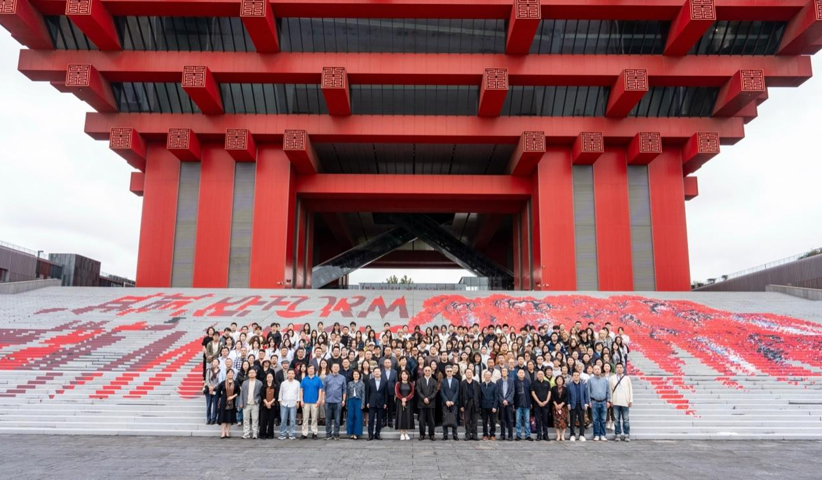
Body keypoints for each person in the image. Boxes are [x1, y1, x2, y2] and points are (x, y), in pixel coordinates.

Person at [609, 362, 633, 442]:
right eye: (617, 367)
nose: (619, 369)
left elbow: (630, 390)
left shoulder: (627, 378)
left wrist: (630, 400)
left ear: (623, 369)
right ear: (615, 369)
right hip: (615, 401)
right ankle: (618, 434)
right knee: (616, 419)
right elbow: (610, 390)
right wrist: (611, 400)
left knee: (626, 419)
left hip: (625, 402)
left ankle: (626, 434)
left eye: (620, 367)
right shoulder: (612, 378)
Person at [324, 363, 347, 440]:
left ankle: (336, 434)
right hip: (328, 401)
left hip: (338, 401)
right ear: (331, 368)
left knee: (337, 419)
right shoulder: (327, 377)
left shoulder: (342, 378)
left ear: (339, 368)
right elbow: (324, 389)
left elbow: (344, 390)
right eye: (334, 367)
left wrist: (343, 400)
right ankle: (328, 434)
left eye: (337, 367)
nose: (336, 368)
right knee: (328, 419)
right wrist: (323, 399)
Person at [299, 364, 323, 439]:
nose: (311, 370)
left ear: (314, 370)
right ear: (307, 370)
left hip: (315, 402)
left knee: (314, 418)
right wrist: (301, 400)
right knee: (305, 418)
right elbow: (301, 390)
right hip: (305, 402)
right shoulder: (304, 379)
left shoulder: (318, 379)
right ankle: (304, 433)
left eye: (312, 368)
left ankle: (314, 433)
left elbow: (320, 390)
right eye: (309, 368)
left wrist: (319, 400)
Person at [587, 365, 611, 441]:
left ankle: (603, 435)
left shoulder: (605, 380)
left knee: (603, 419)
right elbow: (588, 392)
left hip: (604, 402)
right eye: (595, 369)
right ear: (593, 371)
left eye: (598, 369)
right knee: (595, 420)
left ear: (601, 370)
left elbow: (608, 391)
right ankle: (596, 435)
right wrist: (589, 402)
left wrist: (608, 401)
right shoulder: (590, 380)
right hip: (594, 402)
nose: (597, 370)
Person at [238, 368, 262, 439]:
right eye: (250, 373)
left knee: (255, 419)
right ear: (248, 374)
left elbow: (261, 394)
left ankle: (255, 433)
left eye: (253, 372)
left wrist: (258, 400)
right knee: (246, 419)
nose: (251, 374)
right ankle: (246, 433)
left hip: (255, 404)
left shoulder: (259, 383)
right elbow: (242, 393)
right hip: (246, 404)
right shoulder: (244, 383)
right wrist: (241, 402)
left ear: (255, 374)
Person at [416, 365, 437, 441]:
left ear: (431, 371)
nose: (427, 372)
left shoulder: (434, 381)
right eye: (426, 370)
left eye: (429, 370)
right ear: (423, 371)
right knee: (421, 420)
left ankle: (432, 434)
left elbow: (435, 392)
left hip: (431, 403)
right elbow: (418, 391)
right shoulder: (419, 381)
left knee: (431, 421)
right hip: (422, 404)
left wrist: (429, 398)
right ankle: (422, 434)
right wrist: (424, 398)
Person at [366, 368, 388, 440]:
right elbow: (367, 393)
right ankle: (370, 435)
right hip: (372, 402)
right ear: (373, 373)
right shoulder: (370, 381)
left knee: (379, 420)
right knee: (371, 420)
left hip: (381, 403)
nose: (377, 373)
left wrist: (385, 403)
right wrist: (367, 402)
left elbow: (386, 393)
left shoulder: (384, 382)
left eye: (378, 371)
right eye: (375, 372)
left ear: (380, 373)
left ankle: (377, 434)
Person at [567, 370, 589, 442]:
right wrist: (568, 403)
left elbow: (586, 395)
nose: (576, 376)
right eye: (574, 375)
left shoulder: (583, 385)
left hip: (581, 404)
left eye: (577, 375)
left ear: (579, 376)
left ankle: (581, 435)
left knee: (582, 421)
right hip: (573, 405)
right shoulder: (569, 385)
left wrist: (586, 403)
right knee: (572, 420)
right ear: (572, 376)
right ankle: (572, 435)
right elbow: (568, 395)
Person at [216, 369, 238, 439]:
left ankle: (227, 432)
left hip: (232, 402)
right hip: (223, 402)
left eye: (231, 373)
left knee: (229, 417)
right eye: (229, 373)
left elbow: (238, 392)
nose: (230, 374)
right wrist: (222, 397)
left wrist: (232, 396)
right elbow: (218, 392)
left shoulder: (236, 383)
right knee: (223, 417)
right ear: (227, 374)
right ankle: (223, 432)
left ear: (233, 374)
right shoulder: (222, 383)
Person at [278, 368, 300, 440]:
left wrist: (298, 402)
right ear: (287, 374)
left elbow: (298, 393)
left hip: (293, 403)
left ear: (294, 375)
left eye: (292, 373)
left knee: (292, 420)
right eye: (289, 373)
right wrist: (280, 401)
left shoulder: (297, 383)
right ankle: (282, 434)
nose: (290, 375)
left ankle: (292, 434)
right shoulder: (283, 383)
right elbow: (280, 392)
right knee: (283, 419)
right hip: (284, 403)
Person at [459, 368, 481, 441]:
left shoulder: (476, 383)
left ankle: (474, 435)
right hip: (466, 403)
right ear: (465, 374)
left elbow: (479, 395)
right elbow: (460, 395)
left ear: (472, 373)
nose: (469, 374)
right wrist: (461, 405)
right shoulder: (462, 383)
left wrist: (479, 405)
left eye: (470, 372)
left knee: (474, 420)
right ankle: (467, 434)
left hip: (474, 403)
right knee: (467, 420)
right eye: (467, 372)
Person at [440, 365, 460, 440]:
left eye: (450, 371)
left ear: (452, 372)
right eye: (447, 371)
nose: (449, 372)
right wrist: (446, 401)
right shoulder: (443, 381)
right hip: (445, 403)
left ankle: (455, 435)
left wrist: (453, 401)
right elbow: (442, 392)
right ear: (445, 372)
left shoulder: (456, 381)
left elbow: (457, 392)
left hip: (454, 403)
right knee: (445, 418)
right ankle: (445, 435)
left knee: (454, 418)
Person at [531, 369, 552, 441]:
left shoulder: (547, 383)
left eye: (542, 374)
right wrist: (539, 402)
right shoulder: (534, 383)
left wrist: (546, 401)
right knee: (538, 420)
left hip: (546, 404)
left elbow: (549, 392)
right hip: (537, 404)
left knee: (545, 420)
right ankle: (539, 435)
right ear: (537, 375)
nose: (540, 375)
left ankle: (546, 435)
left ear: (544, 375)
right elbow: (533, 393)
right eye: (539, 374)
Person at [395, 370, 415, 440]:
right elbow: (397, 393)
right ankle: (401, 433)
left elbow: (412, 393)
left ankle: (406, 433)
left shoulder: (411, 384)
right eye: (403, 374)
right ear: (401, 375)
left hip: (408, 402)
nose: (404, 376)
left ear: (408, 376)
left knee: (407, 417)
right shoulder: (398, 384)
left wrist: (406, 399)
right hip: (400, 402)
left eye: (406, 374)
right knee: (401, 417)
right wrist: (402, 399)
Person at [496, 366, 515, 441]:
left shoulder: (511, 381)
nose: (504, 372)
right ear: (501, 373)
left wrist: (507, 400)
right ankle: (502, 435)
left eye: (505, 371)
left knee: (510, 420)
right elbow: (498, 393)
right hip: (501, 403)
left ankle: (510, 435)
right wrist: (503, 400)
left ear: (507, 373)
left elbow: (512, 392)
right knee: (502, 420)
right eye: (503, 371)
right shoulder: (498, 381)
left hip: (509, 403)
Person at [514, 368, 533, 441]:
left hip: (526, 403)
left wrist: (530, 402)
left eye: (522, 372)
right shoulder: (514, 382)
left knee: (527, 421)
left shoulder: (527, 381)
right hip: (518, 404)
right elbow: (513, 393)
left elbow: (530, 393)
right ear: (517, 374)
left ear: (524, 374)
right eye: (520, 372)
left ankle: (527, 435)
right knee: (518, 421)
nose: (521, 374)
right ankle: (518, 435)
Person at [479, 370, 498, 440]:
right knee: (484, 421)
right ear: (484, 376)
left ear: (491, 376)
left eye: (489, 375)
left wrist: (495, 406)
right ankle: (485, 434)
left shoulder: (494, 385)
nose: (487, 376)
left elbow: (496, 397)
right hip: (484, 406)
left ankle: (492, 434)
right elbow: (479, 396)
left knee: (493, 421)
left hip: (492, 406)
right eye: (486, 375)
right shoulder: (481, 385)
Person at [346, 370, 365, 439]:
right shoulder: (349, 383)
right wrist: (347, 403)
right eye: (354, 374)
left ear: (359, 375)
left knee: (358, 417)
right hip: (351, 400)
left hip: (358, 400)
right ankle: (351, 432)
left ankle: (356, 433)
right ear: (352, 375)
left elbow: (363, 394)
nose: (356, 375)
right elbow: (347, 394)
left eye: (357, 374)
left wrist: (362, 404)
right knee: (350, 416)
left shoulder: (362, 383)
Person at [259, 372, 277, 439]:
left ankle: (270, 434)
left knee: (271, 420)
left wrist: (270, 403)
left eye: (271, 377)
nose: (269, 378)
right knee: (263, 420)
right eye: (268, 377)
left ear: (273, 378)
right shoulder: (263, 386)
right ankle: (262, 434)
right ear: (266, 378)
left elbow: (276, 396)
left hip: (273, 405)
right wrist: (266, 403)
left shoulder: (275, 386)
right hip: (264, 405)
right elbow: (262, 395)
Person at [551, 375, 569, 441]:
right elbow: (552, 397)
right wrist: (556, 404)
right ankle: (558, 435)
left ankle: (562, 435)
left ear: (563, 381)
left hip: (563, 407)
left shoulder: (565, 389)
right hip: (555, 406)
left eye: (560, 379)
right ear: (556, 381)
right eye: (558, 379)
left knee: (563, 421)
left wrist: (561, 404)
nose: (559, 381)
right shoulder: (553, 388)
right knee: (556, 421)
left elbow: (567, 397)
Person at [381, 358, 397, 429]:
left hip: (391, 392)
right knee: (383, 407)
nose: (387, 364)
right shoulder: (381, 371)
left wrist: (395, 393)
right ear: (384, 364)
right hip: (383, 392)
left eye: (388, 362)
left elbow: (396, 382)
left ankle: (390, 421)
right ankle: (384, 421)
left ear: (391, 364)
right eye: (386, 362)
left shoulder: (394, 372)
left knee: (390, 407)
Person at [204, 359, 220, 425]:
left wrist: (214, 387)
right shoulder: (209, 370)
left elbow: (220, 381)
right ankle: (208, 419)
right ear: (212, 363)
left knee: (215, 405)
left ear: (218, 363)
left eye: (216, 362)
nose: (215, 363)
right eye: (214, 362)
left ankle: (213, 419)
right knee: (208, 405)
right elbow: (207, 379)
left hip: (216, 389)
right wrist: (210, 387)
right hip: (209, 389)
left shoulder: (220, 371)